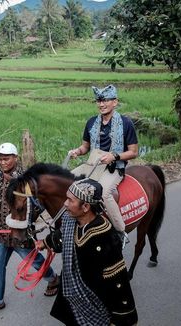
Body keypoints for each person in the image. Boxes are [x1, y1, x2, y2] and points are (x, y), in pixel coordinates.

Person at [36, 178, 138, 326]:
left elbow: (118, 279)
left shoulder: (104, 236)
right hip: (74, 293)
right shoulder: (72, 221)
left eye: (70, 200)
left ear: (85, 207)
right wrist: (44, 243)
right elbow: (62, 235)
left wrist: (122, 317)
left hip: (95, 301)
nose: (65, 204)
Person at [0, 143, 59, 317]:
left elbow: (39, 205)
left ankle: (53, 279)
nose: (2, 162)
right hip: (0, 230)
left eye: (6, 158)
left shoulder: (27, 178)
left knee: (34, 261)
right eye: (0, 159)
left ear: (15, 157)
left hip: (20, 232)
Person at [68, 85, 138, 235]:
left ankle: (121, 231)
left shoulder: (126, 123)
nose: (101, 104)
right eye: (99, 100)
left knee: (104, 193)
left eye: (105, 100)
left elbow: (133, 152)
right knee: (66, 181)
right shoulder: (91, 122)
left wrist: (115, 156)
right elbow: (85, 147)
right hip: (93, 164)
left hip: (114, 168)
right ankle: (72, 221)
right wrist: (77, 151)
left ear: (115, 102)